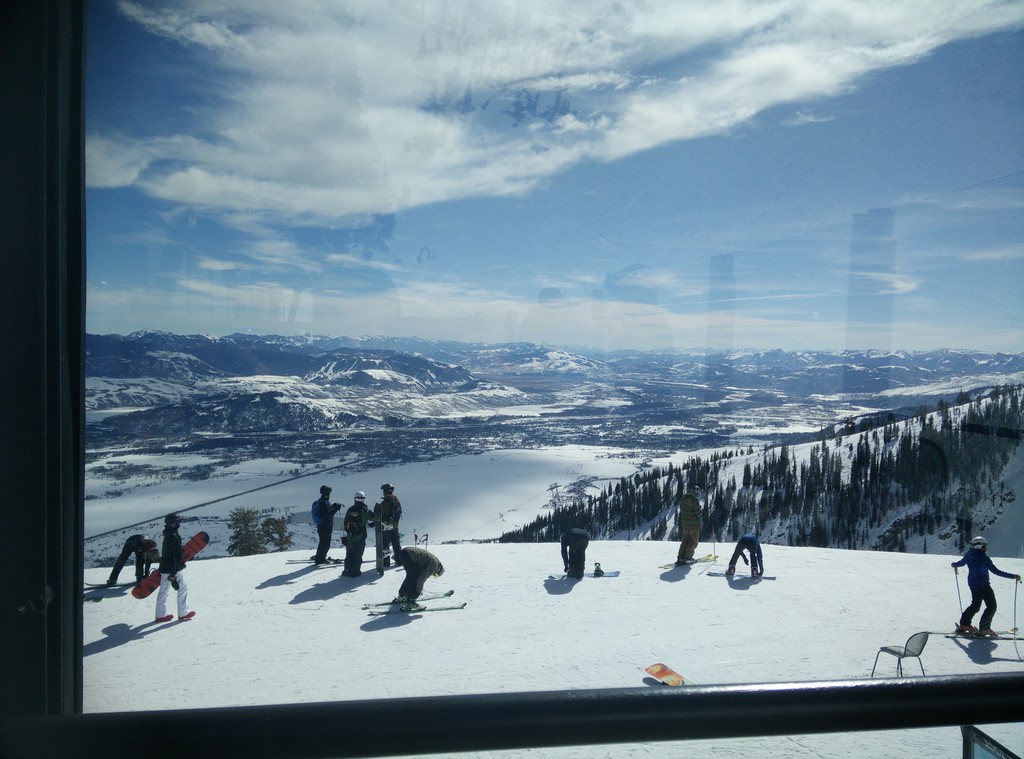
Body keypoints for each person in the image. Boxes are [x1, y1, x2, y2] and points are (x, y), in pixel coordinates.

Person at [952, 536, 1021, 637]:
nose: (986, 548)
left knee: (975, 605)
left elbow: (961, 563)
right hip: (983, 585)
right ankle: (984, 629)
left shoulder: (969, 555)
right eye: (985, 546)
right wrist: (1013, 576)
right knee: (991, 606)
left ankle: (964, 624)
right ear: (980, 546)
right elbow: (996, 571)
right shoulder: (984, 558)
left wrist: (954, 564)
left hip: (973, 584)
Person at [155, 513, 194, 622]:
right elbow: (171, 555)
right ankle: (183, 613)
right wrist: (173, 573)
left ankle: (160, 615)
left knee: (164, 590)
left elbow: (175, 552)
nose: (179, 523)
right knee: (182, 588)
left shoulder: (170, 533)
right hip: (172, 567)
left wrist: (187, 556)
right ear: (172, 523)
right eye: (177, 521)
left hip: (166, 567)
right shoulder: (172, 536)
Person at [342, 491, 371, 577]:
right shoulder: (365, 510)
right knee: (358, 554)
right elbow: (374, 517)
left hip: (350, 536)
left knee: (349, 554)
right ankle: (355, 572)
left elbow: (345, 523)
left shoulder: (350, 509)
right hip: (360, 536)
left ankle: (347, 570)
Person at [311, 485, 341, 565]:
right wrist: (336, 509)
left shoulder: (322, 501)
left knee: (323, 542)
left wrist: (333, 506)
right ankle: (320, 559)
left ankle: (320, 557)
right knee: (325, 543)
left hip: (322, 525)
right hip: (325, 526)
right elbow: (327, 515)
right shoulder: (324, 503)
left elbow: (327, 512)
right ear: (327, 493)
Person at [375, 483, 403, 561]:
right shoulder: (395, 500)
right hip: (394, 527)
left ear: (385, 491)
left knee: (385, 546)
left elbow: (382, 516)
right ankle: (399, 560)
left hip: (386, 527)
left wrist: (386, 520)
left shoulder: (386, 503)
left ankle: (386, 562)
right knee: (396, 544)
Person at [675, 486, 702, 566]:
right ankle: (688, 558)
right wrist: (699, 509)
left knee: (685, 540)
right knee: (693, 541)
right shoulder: (695, 501)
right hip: (693, 525)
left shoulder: (683, 498)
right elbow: (698, 513)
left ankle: (681, 557)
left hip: (685, 524)